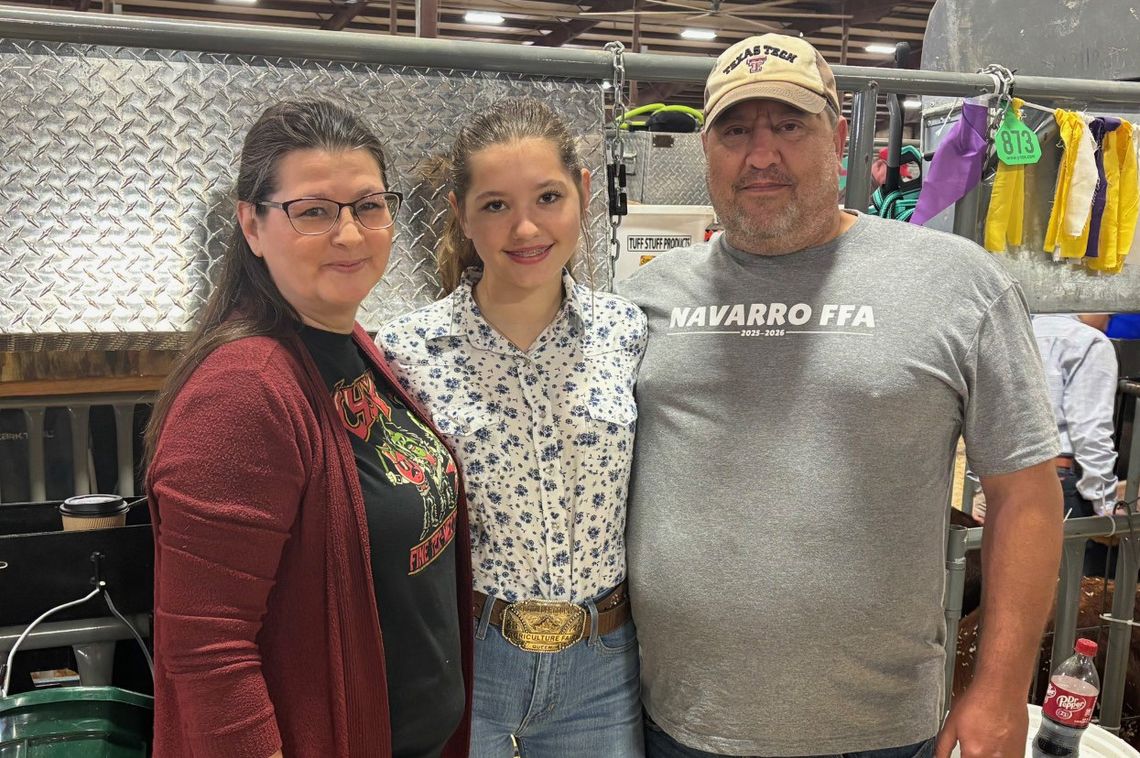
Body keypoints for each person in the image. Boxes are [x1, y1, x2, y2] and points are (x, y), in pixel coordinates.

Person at [616, 33, 1064, 758]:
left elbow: (1027, 497)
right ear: (708, 151)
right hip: (677, 724)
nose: (762, 155)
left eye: (789, 125)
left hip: (876, 734)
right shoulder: (643, 299)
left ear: (839, 134)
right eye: (735, 131)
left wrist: (1001, 693)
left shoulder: (956, 284)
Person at [145, 99, 473, 758]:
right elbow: (206, 654)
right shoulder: (243, 391)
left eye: (368, 206)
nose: (351, 235)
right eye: (314, 211)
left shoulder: (348, 344)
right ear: (253, 225)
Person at [377, 97, 646, 757]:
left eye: (548, 197)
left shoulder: (627, 333)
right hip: (470, 660)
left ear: (583, 195)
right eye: (495, 205)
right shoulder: (404, 354)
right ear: (462, 215)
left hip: (604, 667)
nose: (525, 228)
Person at [1033, 313, 1123, 576]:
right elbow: (1091, 428)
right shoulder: (1089, 342)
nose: (1109, 319)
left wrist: (980, 490)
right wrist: (1105, 503)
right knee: (1074, 596)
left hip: (1008, 477)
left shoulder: (1016, 332)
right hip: (1060, 478)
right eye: (1108, 310)